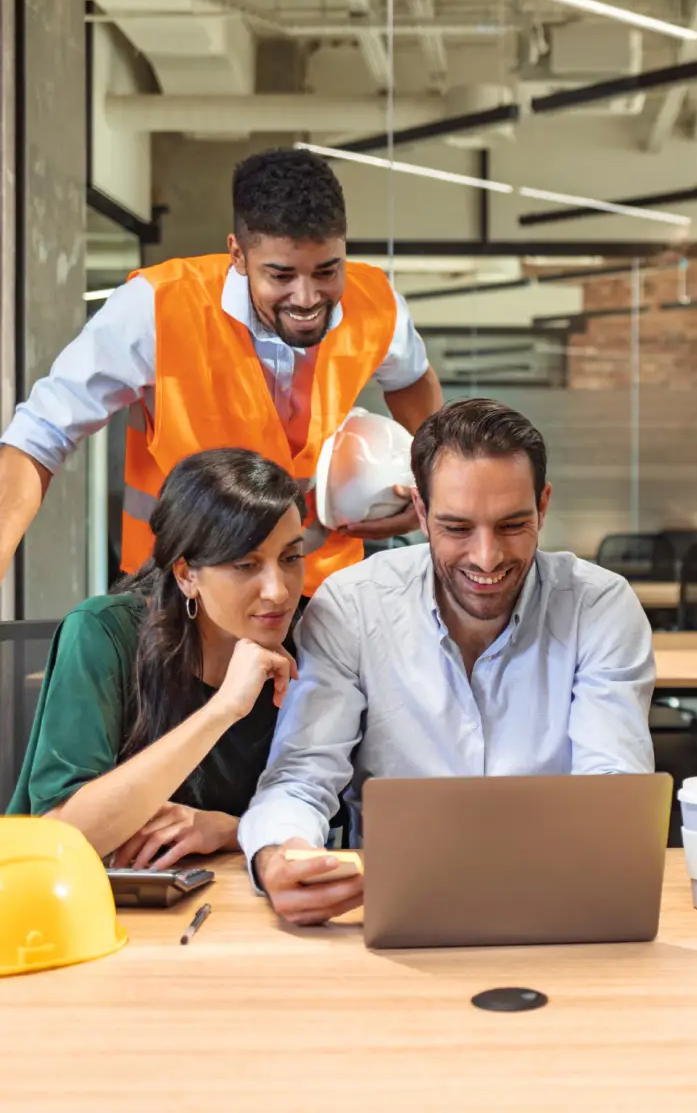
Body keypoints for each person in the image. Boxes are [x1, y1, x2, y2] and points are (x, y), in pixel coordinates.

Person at [239, 398, 656, 926]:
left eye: (512, 525)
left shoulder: (598, 607)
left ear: (543, 506)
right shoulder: (352, 607)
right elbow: (301, 777)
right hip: (393, 907)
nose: (487, 559)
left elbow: (613, 792)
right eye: (457, 528)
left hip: (560, 906)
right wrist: (281, 854)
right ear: (420, 511)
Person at [0, 147, 443, 598]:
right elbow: (40, 434)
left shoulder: (376, 305)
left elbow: (410, 379)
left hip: (321, 594)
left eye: (327, 271)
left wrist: (432, 486)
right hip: (180, 592)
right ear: (237, 254)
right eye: (281, 275)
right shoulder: (157, 307)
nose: (308, 298)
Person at [7, 449, 304, 871]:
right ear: (186, 574)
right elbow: (61, 837)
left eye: (291, 558)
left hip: (227, 908)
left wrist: (228, 830)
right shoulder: (103, 632)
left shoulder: (308, 642)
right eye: (245, 564)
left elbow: (325, 820)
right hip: (71, 907)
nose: (278, 591)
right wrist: (223, 710)